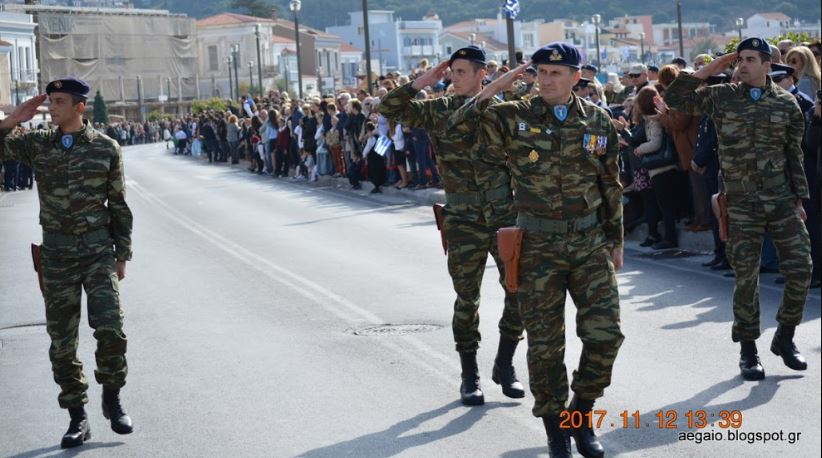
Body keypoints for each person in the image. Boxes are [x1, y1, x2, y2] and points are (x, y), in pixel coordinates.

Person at [450, 42, 624, 457]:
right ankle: (556, 431)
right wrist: (498, 85)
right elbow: (458, 126)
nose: (546, 80)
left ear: (577, 77)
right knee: (547, 347)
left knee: (606, 335)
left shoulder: (599, 121)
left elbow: (609, 184)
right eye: (540, 72)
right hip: (536, 244)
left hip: (588, 242)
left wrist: (615, 240)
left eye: (556, 73)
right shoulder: (512, 117)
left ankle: (579, 416)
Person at [379, 45, 524, 406]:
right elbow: (389, 109)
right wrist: (423, 81)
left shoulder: (502, 109)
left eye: (462, 72)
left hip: (503, 215)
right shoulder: (439, 108)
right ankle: (469, 374)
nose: (454, 78)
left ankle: (505, 363)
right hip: (462, 217)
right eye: (451, 72)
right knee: (466, 298)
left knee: (520, 291)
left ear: (482, 73)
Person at [665, 37, 813, 381]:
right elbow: (675, 98)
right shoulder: (723, 97)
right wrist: (713, 67)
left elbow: (795, 156)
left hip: (780, 199)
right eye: (739, 59)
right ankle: (749, 350)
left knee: (802, 267)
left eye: (749, 59)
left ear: (767, 64)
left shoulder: (787, 104)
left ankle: (786, 337)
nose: (742, 65)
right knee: (746, 277)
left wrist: (799, 200)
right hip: (742, 202)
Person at [0, 78, 133, 448]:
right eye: (50, 100)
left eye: (59, 101)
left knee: (110, 328)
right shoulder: (38, 144)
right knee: (62, 340)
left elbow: (118, 205)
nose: (51, 107)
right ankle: (77, 416)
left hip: (97, 252)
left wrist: (122, 254)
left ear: (79, 107)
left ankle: (112, 396)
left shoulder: (106, 149)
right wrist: (13, 118)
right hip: (56, 255)